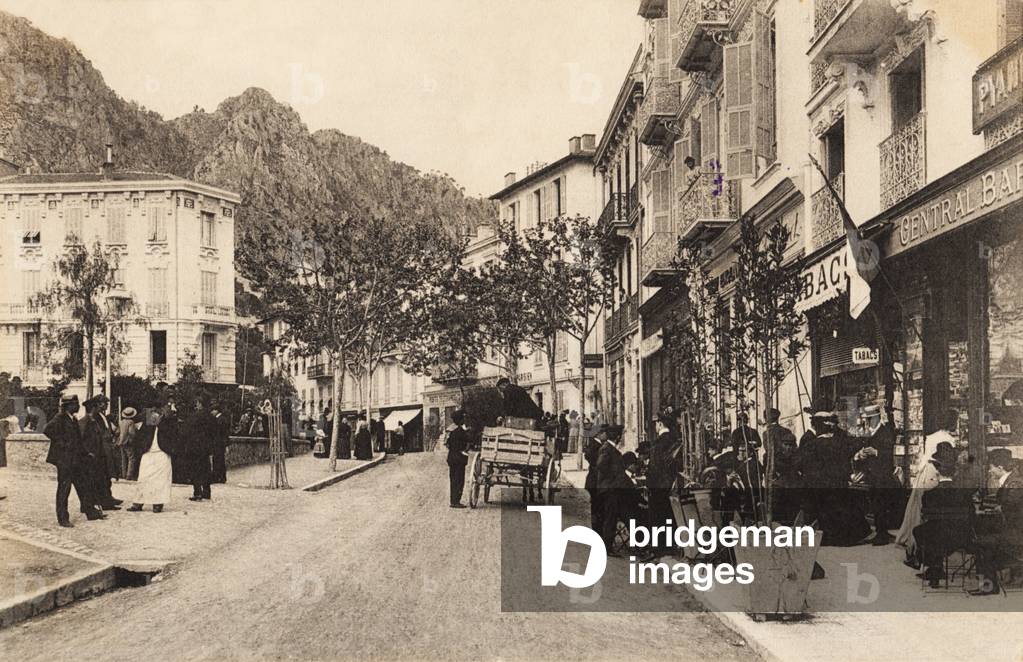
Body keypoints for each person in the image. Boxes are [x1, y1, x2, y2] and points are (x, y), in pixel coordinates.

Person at [912, 452, 973, 587]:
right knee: (933, 534)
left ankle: (933, 567)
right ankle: (935, 568)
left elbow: (925, 515)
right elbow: (971, 513)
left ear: (938, 474)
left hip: (936, 535)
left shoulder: (929, 494)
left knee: (919, 531)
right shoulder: (964, 493)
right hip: (959, 535)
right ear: (954, 473)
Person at [44, 394, 104, 527]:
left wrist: (86, 453)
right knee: (64, 489)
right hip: (64, 461)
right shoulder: (60, 418)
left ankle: (90, 512)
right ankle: (63, 518)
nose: (78, 406)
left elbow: (78, 440)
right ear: (68, 406)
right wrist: (63, 444)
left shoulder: (73, 419)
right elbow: (47, 430)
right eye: (75, 404)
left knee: (83, 485)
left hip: (76, 459)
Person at [971, 448, 1023, 595]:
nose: (989, 471)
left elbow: (1012, 508)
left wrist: (995, 509)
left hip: (1016, 533)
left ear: (1000, 467)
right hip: (1013, 529)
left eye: (991, 467)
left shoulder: (1014, 483)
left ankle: (989, 586)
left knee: (983, 543)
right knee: (984, 538)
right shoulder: (1011, 480)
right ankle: (989, 582)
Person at [896, 441, 952, 565]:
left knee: (921, 525)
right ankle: (917, 554)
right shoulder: (932, 468)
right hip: (926, 500)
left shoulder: (931, 467)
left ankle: (919, 556)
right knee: (920, 523)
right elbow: (926, 487)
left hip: (928, 500)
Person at [854, 404, 898, 545]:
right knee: (876, 504)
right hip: (872, 474)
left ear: (877, 417)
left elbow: (890, 454)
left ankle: (882, 535)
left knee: (881, 505)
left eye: (870, 419)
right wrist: (861, 454)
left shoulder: (885, 431)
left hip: (883, 475)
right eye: (867, 419)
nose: (868, 422)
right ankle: (880, 532)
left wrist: (876, 452)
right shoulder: (869, 432)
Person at [128, 403, 179, 513]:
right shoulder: (148, 421)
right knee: (143, 478)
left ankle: (158, 503)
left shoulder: (169, 421)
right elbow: (140, 436)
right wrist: (140, 449)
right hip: (148, 453)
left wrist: (163, 422)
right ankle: (138, 503)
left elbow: (174, 435)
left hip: (162, 453)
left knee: (161, 480)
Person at [79, 395, 121, 511]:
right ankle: (103, 501)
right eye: (104, 403)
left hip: (105, 448)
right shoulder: (92, 418)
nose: (106, 405)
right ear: (97, 405)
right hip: (100, 449)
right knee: (101, 476)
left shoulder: (103, 416)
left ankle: (107, 498)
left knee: (107, 474)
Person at [647, 414, 679, 557]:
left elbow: (654, 467)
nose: (655, 426)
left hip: (658, 484)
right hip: (671, 483)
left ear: (660, 424)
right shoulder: (675, 440)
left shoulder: (658, 443)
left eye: (656, 424)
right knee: (669, 515)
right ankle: (670, 546)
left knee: (657, 517)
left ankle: (658, 549)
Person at [762, 408, 801, 525]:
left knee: (777, 506)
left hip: (777, 473)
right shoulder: (786, 431)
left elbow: (769, 454)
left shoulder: (767, 433)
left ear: (766, 418)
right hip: (790, 474)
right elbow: (794, 450)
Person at [596, 425, 630, 556]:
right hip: (609, 489)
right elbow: (601, 465)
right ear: (617, 437)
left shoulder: (609, 448)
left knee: (611, 517)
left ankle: (607, 546)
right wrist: (612, 478)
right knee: (610, 518)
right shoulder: (607, 449)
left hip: (610, 488)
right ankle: (607, 547)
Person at [185, 400, 214, 501]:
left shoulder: (195, 416)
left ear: (200, 404)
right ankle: (206, 492)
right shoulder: (211, 417)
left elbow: (187, 430)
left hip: (195, 447)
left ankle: (197, 492)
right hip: (206, 447)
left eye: (197, 403)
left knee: (196, 469)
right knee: (205, 469)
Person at [584, 424, 608, 533]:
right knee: (597, 508)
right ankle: (597, 530)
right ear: (599, 434)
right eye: (605, 433)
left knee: (596, 507)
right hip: (595, 481)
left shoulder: (594, 444)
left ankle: (597, 529)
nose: (606, 436)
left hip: (593, 481)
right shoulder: (596, 446)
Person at [445, 409, 470, 508]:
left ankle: (453, 501)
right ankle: (456, 502)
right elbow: (466, 444)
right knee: (459, 480)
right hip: (459, 459)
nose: (464, 420)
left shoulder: (451, 431)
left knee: (453, 480)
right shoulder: (461, 431)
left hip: (452, 457)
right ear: (460, 420)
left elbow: (447, 444)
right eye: (463, 418)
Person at [116, 407, 142, 481]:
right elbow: (131, 433)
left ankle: (124, 474)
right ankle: (129, 475)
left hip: (121, 442)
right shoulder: (131, 422)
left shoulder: (121, 422)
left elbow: (118, 432)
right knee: (131, 458)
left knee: (123, 458)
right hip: (128, 442)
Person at [210, 403, 230, 483]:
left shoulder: (220, 420)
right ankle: (221, 477)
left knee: (218, 460)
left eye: (213, 410)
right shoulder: (222, 419)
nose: (212, 412)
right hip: (220, 443)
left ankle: (217, 477)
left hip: (219, 443)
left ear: (216, 411)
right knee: (220, 460)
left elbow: (224, 433)